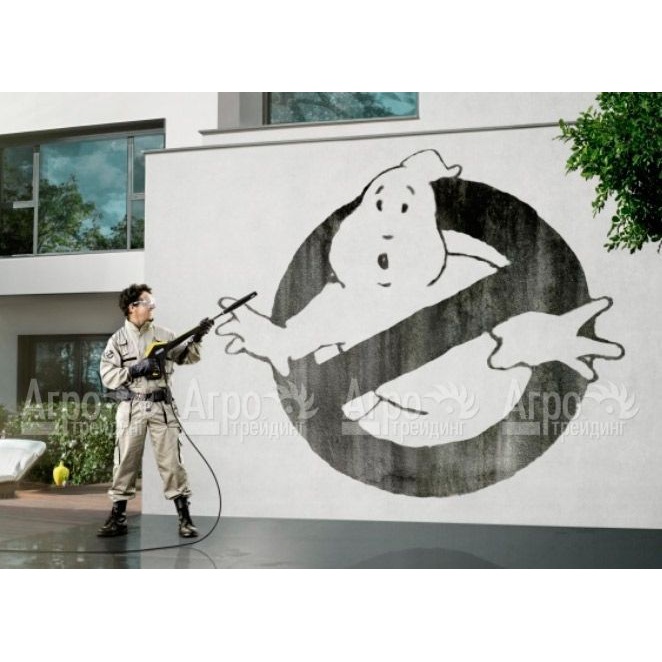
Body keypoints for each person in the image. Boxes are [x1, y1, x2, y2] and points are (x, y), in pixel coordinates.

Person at [97, 283, 213, 538]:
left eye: (153, 302)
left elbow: (188, 357)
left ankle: (185, 518)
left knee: (172, 462)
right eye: (148, 302)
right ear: (132, 307)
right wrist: (134, 370)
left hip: (162, 407)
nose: (153, 307)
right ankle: (118, 517)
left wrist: (198, 337)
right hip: (131, 408)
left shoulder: (164, 335)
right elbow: (107, 375)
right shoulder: (117, 341)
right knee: (125, 461)